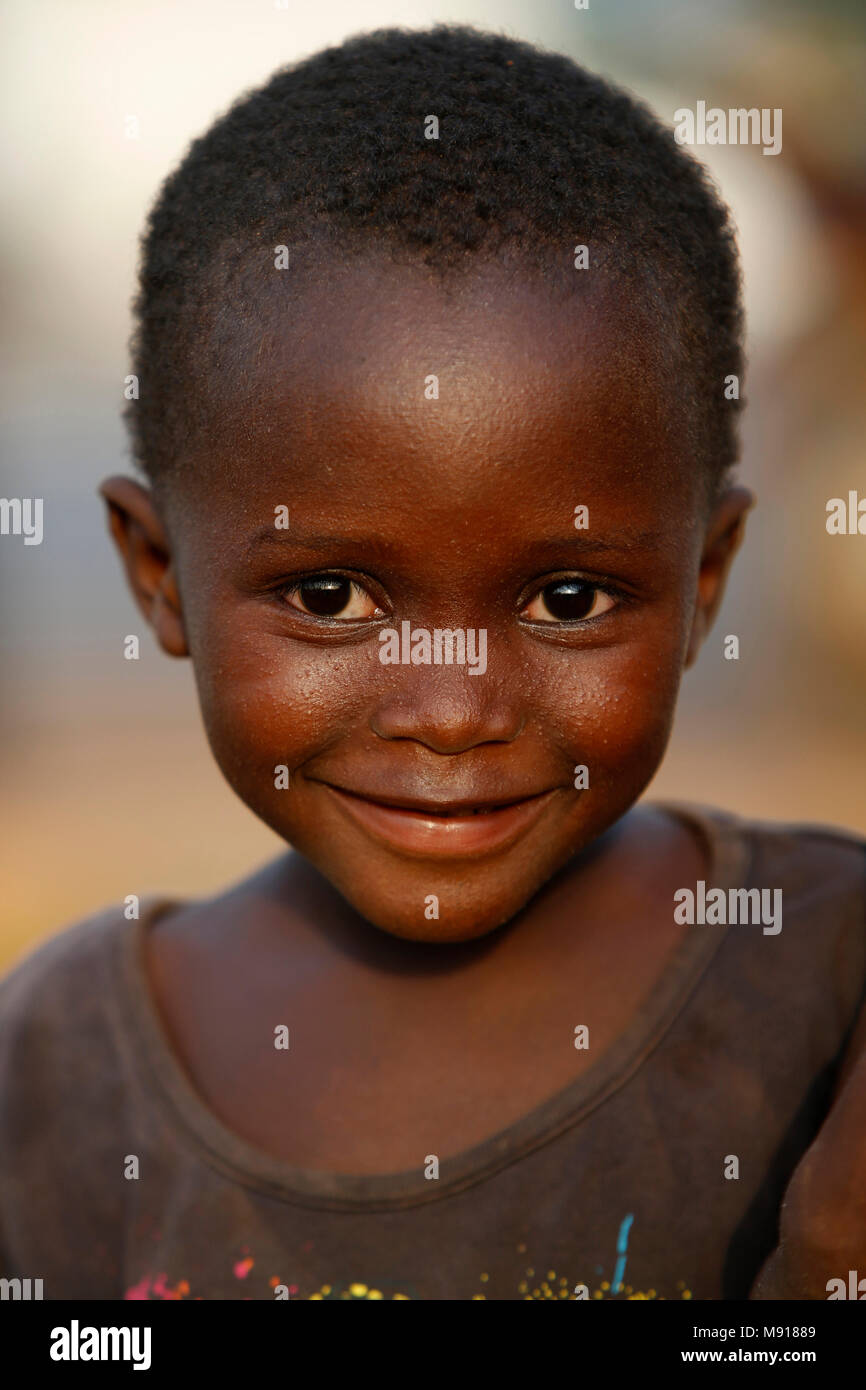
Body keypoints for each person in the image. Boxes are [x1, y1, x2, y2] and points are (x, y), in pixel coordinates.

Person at [1, 25, 863, 1302]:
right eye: (331, 595)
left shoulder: (827, 975)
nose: (453, 710)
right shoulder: (56, 1069)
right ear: (158, 572)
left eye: (566, 597)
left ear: (702, 581)